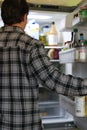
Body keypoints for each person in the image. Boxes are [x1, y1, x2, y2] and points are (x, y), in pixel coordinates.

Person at [0, 0, 87, 130]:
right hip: (25, 124)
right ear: (25, 17)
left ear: (3, 16)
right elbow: (53, 80)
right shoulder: (30, 45)